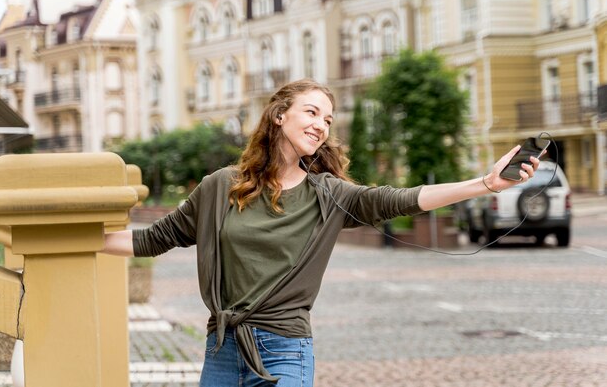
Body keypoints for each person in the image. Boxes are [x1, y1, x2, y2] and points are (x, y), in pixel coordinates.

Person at [104, 78, 539, 387]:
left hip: (284, 350)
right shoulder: (220, 186)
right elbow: (152, 239)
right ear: (278, 115)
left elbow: (401, 198)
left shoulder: (328, 195)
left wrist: (485, 184)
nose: (321, 125)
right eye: (311, 112)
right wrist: (72, 241)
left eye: (328, 120)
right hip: (222, 348)